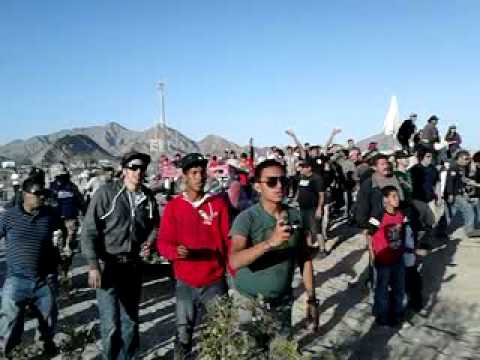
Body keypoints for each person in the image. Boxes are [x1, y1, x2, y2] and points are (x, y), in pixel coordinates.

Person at [229, 159, 318, 349]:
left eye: (283, 181)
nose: (279, 186)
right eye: (271, 182)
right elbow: (234, 261)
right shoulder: (247, 218)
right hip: (249, 304)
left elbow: (305, 259)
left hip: (282, 303)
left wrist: (311, 299)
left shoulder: (295, 216)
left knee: (281, 352)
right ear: (257, 187)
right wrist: (270, 242)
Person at [81, 151, 159, 360]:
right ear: (124, 170)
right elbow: (88, 231)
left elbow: (154, 226)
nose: (138, 171)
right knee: (110, 324)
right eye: (133, 167)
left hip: (133, 266)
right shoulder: (106, 194)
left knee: (130, 321)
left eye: (142, 168)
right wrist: (93, 266)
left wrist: (149, 242)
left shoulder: (148, 198)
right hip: (108, 266)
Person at [157, 153, 230, 360]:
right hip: (185, 282)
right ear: (185, 176)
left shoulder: (218, 205)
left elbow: (228, 241)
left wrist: (233, 273)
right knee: (183, 335)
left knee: (220, 333)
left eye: (201, 172)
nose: (199, 177)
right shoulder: (174, 206)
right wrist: (174, 251)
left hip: (214, 281)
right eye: (194, 173)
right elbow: (163, 242)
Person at [0, 177, 62, 358]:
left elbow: (61, 234)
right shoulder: (9, 217)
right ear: (25, 194)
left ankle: (44, 349)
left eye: (44, 194)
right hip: (16, 279)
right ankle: (7, 352)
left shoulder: (50, 215)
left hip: (45, 279)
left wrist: (61, 244)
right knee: (9, 322)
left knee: (48, 320)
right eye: (38, 194)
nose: (42, 197)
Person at [369, 186, 406, 326]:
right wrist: (372, 253)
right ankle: (382, 315)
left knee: (399, 288)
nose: (397, 199)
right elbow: (369, 234)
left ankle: (397, 313)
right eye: (393, 196)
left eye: (397, 196)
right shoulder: (378, 215)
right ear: (386, 199)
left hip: (398, 258)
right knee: (382, 289)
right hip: (383, 259)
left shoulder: (400, 214)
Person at [49, 163, 86, 286]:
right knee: (55, 250)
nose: (60, 178)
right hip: (55, 224)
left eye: (62, 175)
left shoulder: (72, 188)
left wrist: (86, 217)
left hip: (70, 222)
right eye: (58, 176)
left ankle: (65, 274)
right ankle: (57, 275)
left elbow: (82, 203)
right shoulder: (51, 189)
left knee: (69, 250)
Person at [445, 150, 480, 237]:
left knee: (449, 214)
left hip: (459, 194)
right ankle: (470, 230)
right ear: (460, 158)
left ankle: (439, 231)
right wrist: (450, 194)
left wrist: (475, 184)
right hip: (454, 195)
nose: (467, 161)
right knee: (468, 209)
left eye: (468, 159)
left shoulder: (461, 168)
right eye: (466, 159)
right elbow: (450, 182)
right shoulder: (453, 168)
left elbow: (463, 179)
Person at [297, 159, 327, 253]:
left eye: (303, 167)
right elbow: (299, 190)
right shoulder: (302, 177)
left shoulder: (316, 178)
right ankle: (309, 247)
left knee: (317, 229)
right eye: (301, 167)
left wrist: (319, 208)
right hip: (303, 208)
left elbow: (321, 195)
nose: (301, 169)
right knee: (306, 229)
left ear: (309, 168)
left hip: (313, 208)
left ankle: (322, 250)